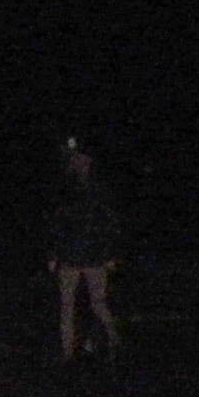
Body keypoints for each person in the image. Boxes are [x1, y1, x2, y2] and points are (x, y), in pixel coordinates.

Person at [49, 139, 123, 360]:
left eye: (82, 161)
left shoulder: (97, 191)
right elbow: (56, 223)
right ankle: (68, 351)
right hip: (75, 255)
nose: (80, 165)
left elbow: (109, 223)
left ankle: (111, 338)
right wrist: (53, 253)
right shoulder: (66, 189)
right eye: (76, 161)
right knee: (70, 305)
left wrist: (109, 253)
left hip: (91, 255)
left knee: (95, 303)